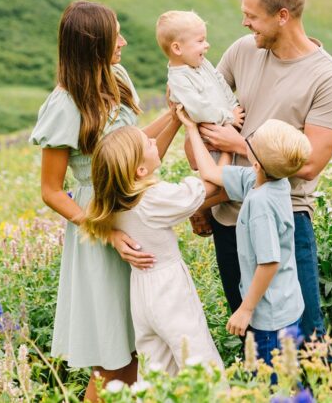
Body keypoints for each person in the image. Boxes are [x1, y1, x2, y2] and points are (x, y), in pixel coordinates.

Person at [31, 0, 182, 401]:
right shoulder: (65, 104)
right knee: (112, 361)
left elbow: (139, 156)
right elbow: (51, 191)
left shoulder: (118, 79)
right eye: (116, 36)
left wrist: (175, 117)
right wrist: (107, 231)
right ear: (93, 44)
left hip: (133, 219)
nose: (125, 42)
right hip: (98, 233)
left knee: (132, 352)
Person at [192, 0, 332, 342]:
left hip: (286, 217)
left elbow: (310, 165)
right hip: (229, 216)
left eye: (252, 16)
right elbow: (203, 121)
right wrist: (204, 201)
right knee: (252, 334)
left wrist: (236, 145)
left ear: (283, 15)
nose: (245, 23)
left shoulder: (329, 79)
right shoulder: (241, 52)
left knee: (305, 335)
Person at [81, 125, 225, 376]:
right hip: (169, 287)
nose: (152, 139)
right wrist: (225, 151)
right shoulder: (152, 197)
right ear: (140, 170)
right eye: (147, 143)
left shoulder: (116, 200)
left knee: (155, 368)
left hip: (141, 288)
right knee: (197, 357)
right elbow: (212, 184)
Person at [182, 112, 310, 376]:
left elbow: (269, 262)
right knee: (286, 376)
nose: (246, 141)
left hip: (270, 317)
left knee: (270, 382)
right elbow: (210, 171)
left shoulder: (261, 203)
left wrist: (245, 309)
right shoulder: (267, 181)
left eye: (250, 142)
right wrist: (191, 129)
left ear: (257, 163)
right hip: (286, 303)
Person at [157, 10, 243, 166]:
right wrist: (230, 117)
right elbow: (199, 110)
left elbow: (220, 81)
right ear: (177, 48)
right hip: (209, 144)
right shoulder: (178, 80)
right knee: (219, 184)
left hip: (227, 132)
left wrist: (234, 106)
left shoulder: (202, 63)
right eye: (200, 41)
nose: (207, 45)